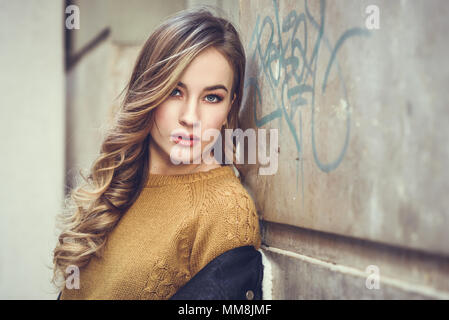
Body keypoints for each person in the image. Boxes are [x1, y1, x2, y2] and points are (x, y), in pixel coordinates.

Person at [53, 6, 270, 300]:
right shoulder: (118, 186)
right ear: (149, 91)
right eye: (175, 91)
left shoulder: (225, 212)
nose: (190, 117)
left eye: (211, 97)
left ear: (230, 105)